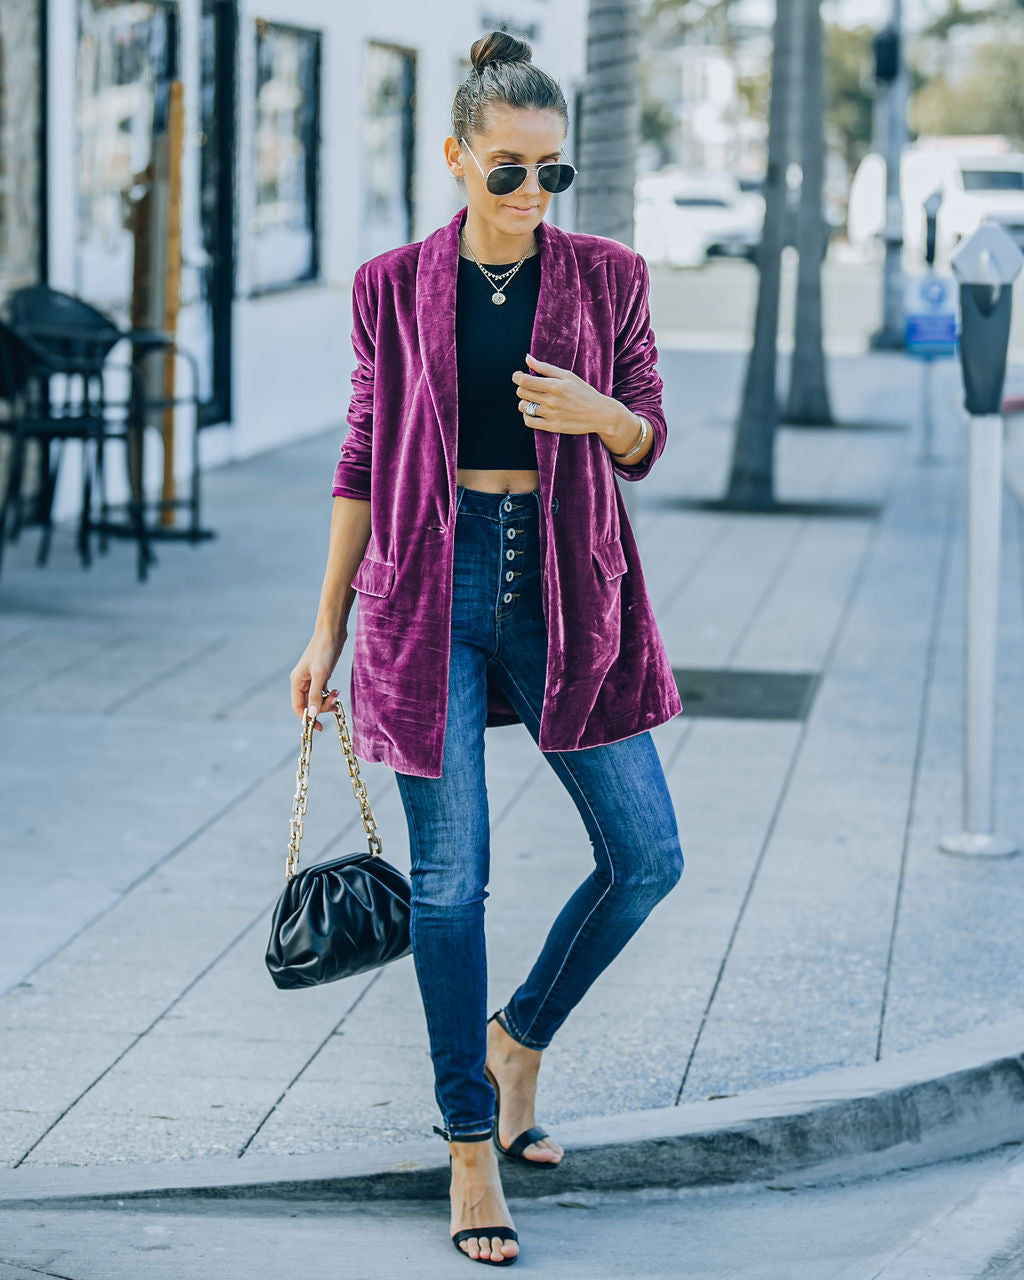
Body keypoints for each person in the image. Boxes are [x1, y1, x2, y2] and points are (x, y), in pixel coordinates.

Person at [289, 29, 685, 1268]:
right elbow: (361, 458)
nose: (529, 195)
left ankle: (521, 1036)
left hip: (567, 580)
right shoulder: (390, 285)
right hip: (428, 586)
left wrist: (602, 415)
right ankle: (469, 1136)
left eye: (549, 173)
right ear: (456, 157)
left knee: (646, 854)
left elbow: (649, 434)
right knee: (452, 882)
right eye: (506, 170)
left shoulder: (609, 276)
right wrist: (325, 627)